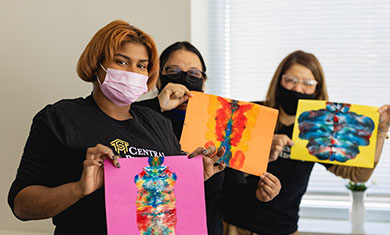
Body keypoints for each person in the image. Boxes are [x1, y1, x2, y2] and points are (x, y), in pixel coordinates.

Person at [7, 20, 226, 235]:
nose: (132, 71)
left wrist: (193, 177)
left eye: (141, 65)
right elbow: (21, 206)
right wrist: (79, 188)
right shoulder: (60, 118)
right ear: (96, 64)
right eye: (122, 62)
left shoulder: (158, 123)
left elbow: (167, 201)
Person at [222, 50, 390, 235]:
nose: (298, 89)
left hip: (283, 229)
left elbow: (359, 175)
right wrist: (259, 150)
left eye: (308, 84)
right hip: (233, 226)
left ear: (317, 89)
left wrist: (381, 130)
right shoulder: (252, 115)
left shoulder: (318, 128)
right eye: (290, 80)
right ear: (279, 80)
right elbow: (221, 165)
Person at [136, 41, 282, 235]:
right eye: (174, 71)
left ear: (204, 81)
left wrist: (257, 194)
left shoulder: (219, 124)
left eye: (194, 74)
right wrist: (157, 106)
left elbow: (231, 196)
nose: (184, 79)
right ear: (158, 77)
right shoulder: (139, 117)